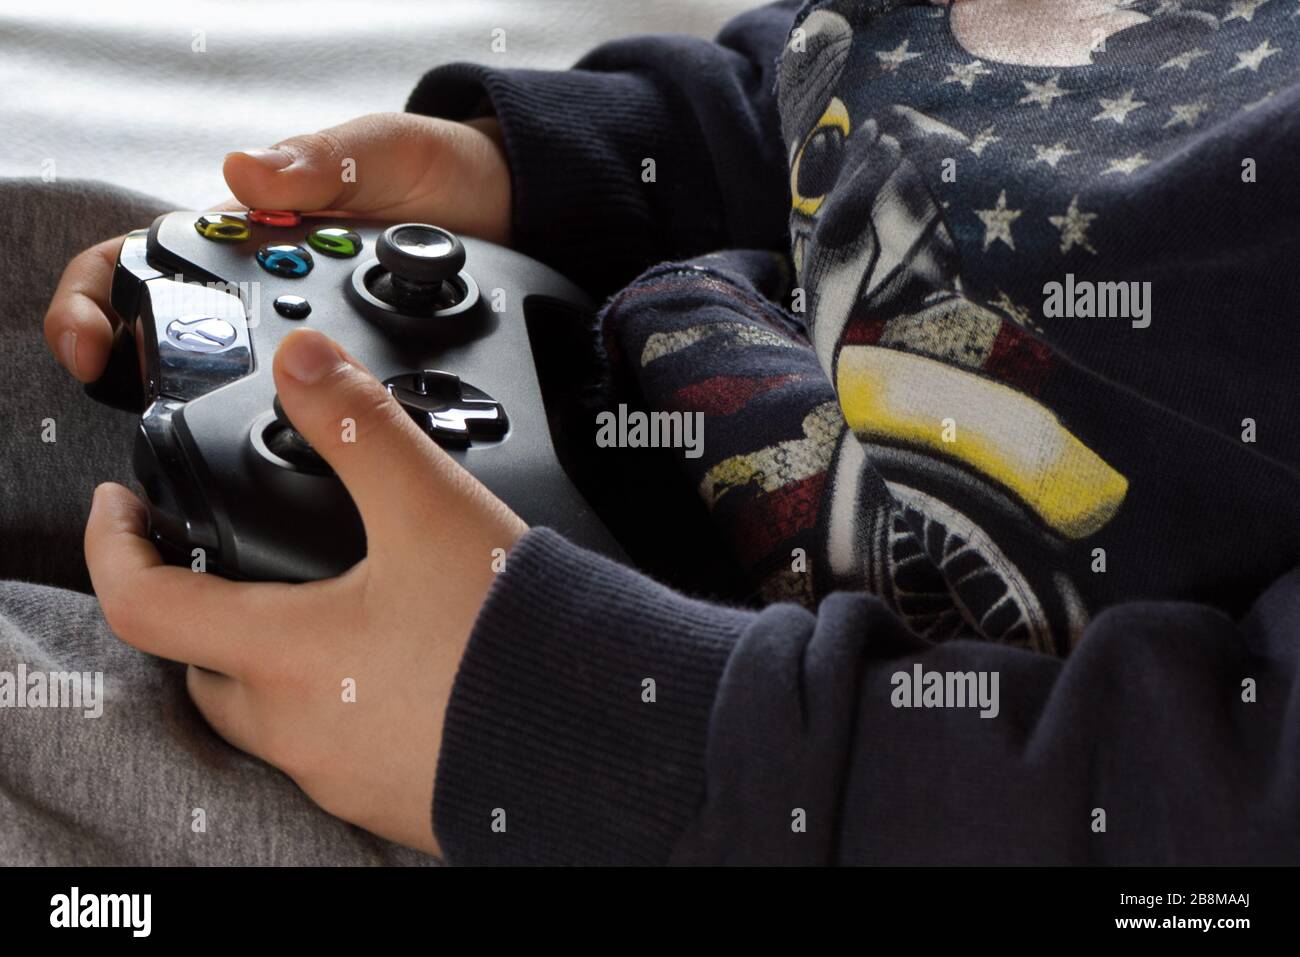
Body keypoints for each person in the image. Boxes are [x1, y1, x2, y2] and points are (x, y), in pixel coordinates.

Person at [8, 0, 1300, 865]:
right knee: (49, 280)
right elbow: (882, 76)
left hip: (791, 770)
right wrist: (589, 170)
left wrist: (612, 728)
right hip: (656, 368)